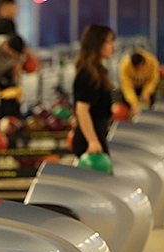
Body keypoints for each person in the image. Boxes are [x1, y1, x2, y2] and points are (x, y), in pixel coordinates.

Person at [71, 24, 115, 158]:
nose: (113, 46)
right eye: (109, 42)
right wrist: (93, 141)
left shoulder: (98, 71)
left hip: (97, 134)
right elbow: (82, 110)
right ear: (97, 44)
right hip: (89, 141)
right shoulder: (88, 74)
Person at [119, 49, 160, 115]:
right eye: (135, 69)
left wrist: (146, 93)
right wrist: (133, 103)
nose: (137, 70)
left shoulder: (152, 62)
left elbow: (153, 80)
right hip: (132, 87)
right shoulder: (125, 65)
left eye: (139, 68)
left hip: (146, 86)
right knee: (127, 104)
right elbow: (127, 86)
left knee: (150, 104)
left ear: (143, 62)